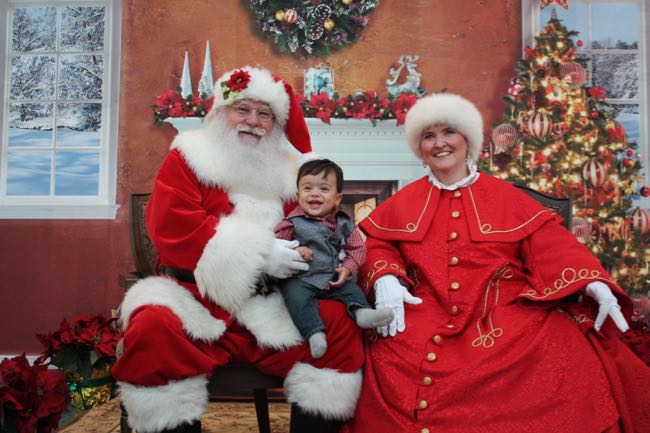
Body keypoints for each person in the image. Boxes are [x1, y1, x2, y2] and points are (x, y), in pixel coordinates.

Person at [342, 93, 650, 433]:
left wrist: (593, 282)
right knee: (391, 348)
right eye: (429, 136)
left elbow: (550, 246)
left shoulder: (505, 196)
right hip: (425, 310)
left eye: (448, 132)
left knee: (559, 346)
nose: (440, 143)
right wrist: (385, 277)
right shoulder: (405, 200)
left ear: (467, 139)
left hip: (504, 312)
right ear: (419, 146)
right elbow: (376, 242)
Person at [112, 66, 364, 433]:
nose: (253, 122)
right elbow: (173, 228)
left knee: (339, 325)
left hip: (272, 300)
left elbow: (323, 224)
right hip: (195, 296)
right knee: (152, 328)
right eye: (242, 109)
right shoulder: (187, 158)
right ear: (219, 112)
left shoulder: (295, 172)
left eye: (265, 114)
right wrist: (260, 253)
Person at [275, 158, 394, 359]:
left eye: (323, 188)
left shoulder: (345, 223)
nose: (314, 193)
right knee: (295, 296)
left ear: (337, 198)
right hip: (302, 279)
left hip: (332, 278)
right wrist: (296, 250)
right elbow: (277, 247)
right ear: (298, 195)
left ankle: (362, 313)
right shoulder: (291, 223)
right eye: (307, 188)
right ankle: (314, 333)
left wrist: (347, 269)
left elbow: (357, 248)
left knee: (352, 290)